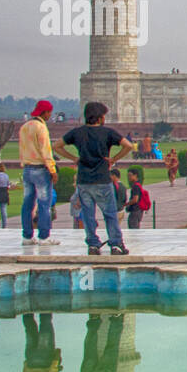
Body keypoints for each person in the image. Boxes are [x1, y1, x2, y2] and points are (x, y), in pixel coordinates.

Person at [55, 100, 132, 255]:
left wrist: (74, 158)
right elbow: (128, 146)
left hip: (84, 181)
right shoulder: (108, 132)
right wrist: (113, 159)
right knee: (110, 214)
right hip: (102, 179)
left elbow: (56, 146)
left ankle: (93, 245)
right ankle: (116, 244)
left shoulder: (77, 132)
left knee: (88, 216)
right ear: (99, 117)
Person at [19, 99, 60, 245]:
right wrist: (52, 170)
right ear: (45, 112)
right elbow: (46, 150)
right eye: (49, 112)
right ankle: (44, 237)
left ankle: (27, 237)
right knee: (44, 204)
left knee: (27, 204)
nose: (50, 115)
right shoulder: (41, 127)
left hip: (27, 169)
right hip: (40, 170)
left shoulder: (25, 126)